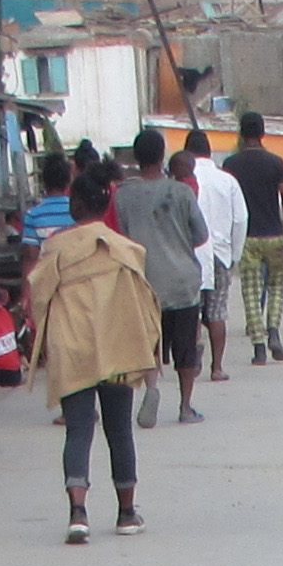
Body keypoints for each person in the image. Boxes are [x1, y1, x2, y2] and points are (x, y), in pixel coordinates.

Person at [23, 170, 161, 545]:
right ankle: (127, 513)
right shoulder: (126, 250)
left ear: (75, 205)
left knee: (79, 429)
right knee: (120, 431)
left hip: (74, 348)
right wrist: (148, 352)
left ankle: (78, 515)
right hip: (117, 349)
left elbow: (38, 300)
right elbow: (144, 305)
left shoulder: (56, 249)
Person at [110, 129, 208, 429]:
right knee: (186, 347)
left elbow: (122, 237)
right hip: (182, 280)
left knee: (150, 343)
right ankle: (185, 406)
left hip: (144, 281)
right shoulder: (181, 192)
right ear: (162, 155)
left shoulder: (123, 196)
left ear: (137, 159)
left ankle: (152, 387)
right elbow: (201, 234)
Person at [222, 109, 283, 362]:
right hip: (274, 234)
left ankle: (259, 347)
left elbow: (228, 206)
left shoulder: (231, 165)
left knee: (250, 293)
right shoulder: (276, 163)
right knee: (275, 287)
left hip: (247, 238)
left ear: (241, 134)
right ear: (263, 133)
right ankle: (274, 330)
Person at [184, 133, 244, 398]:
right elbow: (240, 218)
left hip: (189, 253)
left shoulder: (181, 180)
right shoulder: (227, 180)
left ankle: (192, 359)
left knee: (192, 310)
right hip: (220, 252)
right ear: (209, 151)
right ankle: (217, 367)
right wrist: (235, 254)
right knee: (217, 310)